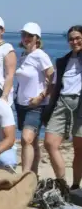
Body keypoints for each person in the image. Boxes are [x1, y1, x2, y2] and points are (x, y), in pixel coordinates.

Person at [43, 26, 82, 187]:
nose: (74, 42)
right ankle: (62, 183)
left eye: (78, 38)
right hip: (62, 102)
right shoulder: (62, 61)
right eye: (71, 39)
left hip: (80, 104)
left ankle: (75, 185)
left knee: (79, 149)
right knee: (50, 143)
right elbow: (54, 85)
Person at [15, 22, 55, 173]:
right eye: (24, 35)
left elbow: (53, 77)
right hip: (20, 105)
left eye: (30, 35)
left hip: (36, 106)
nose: (26, 38)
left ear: (37, 38)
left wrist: (42, 96)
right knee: (33, 142)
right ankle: (34, 176)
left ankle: (25, 175)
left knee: (26, 139)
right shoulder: (24, 55)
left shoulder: (40, 55)